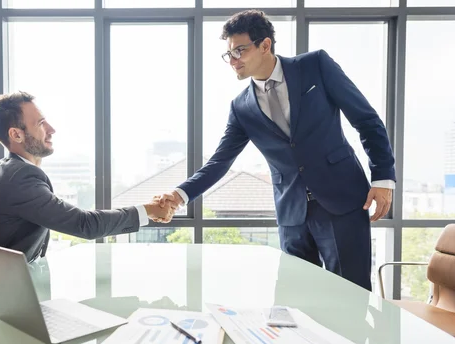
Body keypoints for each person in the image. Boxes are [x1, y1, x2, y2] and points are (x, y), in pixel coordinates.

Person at [156, 10, 396, 291]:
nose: (233, 60)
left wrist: (382, 178)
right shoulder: (241, 107)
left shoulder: (315, 65)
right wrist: (179, 194)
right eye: (229, 54)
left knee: (350, 295)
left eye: (239, 51)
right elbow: (220, 162)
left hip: (341, 200)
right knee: (295, 300)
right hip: (292, 213)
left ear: (265, 45)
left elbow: (366, 120)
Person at [0, 91, 174, 286]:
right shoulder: (19, 177)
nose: (51, 129)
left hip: (17, 283)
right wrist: (149, 210)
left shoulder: (12, 170)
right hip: (0, 293)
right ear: (16, 134)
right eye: (41, 123)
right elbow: (84, 224)